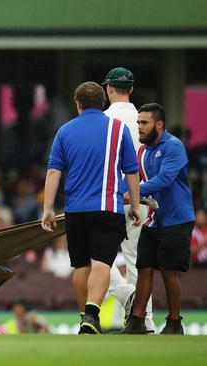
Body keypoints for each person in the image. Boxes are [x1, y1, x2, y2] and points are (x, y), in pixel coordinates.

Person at [41, 81, 141, 334]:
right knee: (101, 264)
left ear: (77, 104)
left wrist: (48, 208)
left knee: (81, 265)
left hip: (76, 209)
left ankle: (84, 318)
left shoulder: (65, 131)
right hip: (108, 207)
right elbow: (131, 170)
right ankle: (92, 315)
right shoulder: (117, 129)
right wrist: (136, 206)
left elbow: (54, 171)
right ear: (103, 103)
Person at [121, 103, 195, 335]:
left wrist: (134, 193)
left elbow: (165, 179)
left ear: (159, 125)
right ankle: (137, 321)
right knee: (143, 266)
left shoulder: (174, 147)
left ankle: (174, 323)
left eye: (144, 123)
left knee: (167, 269)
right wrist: (116, 195)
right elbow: (132, 180)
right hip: (154, 219)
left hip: (177, 218)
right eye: (138, 123)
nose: (139, 127)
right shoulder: (142, 152)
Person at [102, 67, 155, 332]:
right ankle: (144, 320)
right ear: (131, 89)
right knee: (138, 261)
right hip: (141, 197)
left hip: (110, 198)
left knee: (97, 256)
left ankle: (124, 294)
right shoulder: (143, 120)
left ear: (108, 89)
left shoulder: (102, 120)